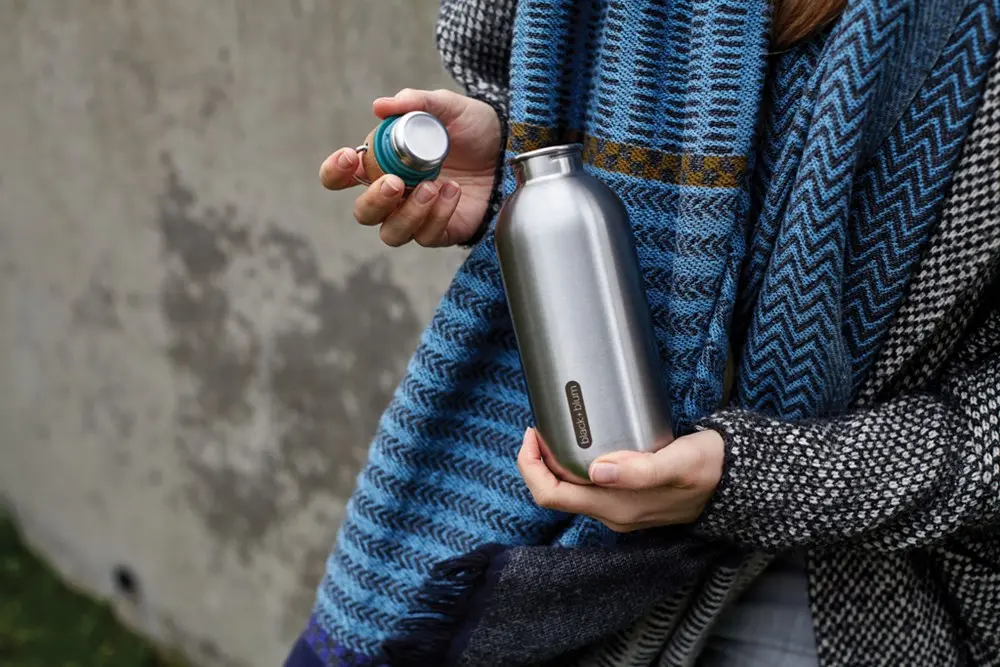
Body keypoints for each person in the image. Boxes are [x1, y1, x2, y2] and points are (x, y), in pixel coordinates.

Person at [287, 0, 1000, 665]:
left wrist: (763, 477)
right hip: (557, 538)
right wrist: (519, 178)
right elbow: (528, 63)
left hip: (867, 580)